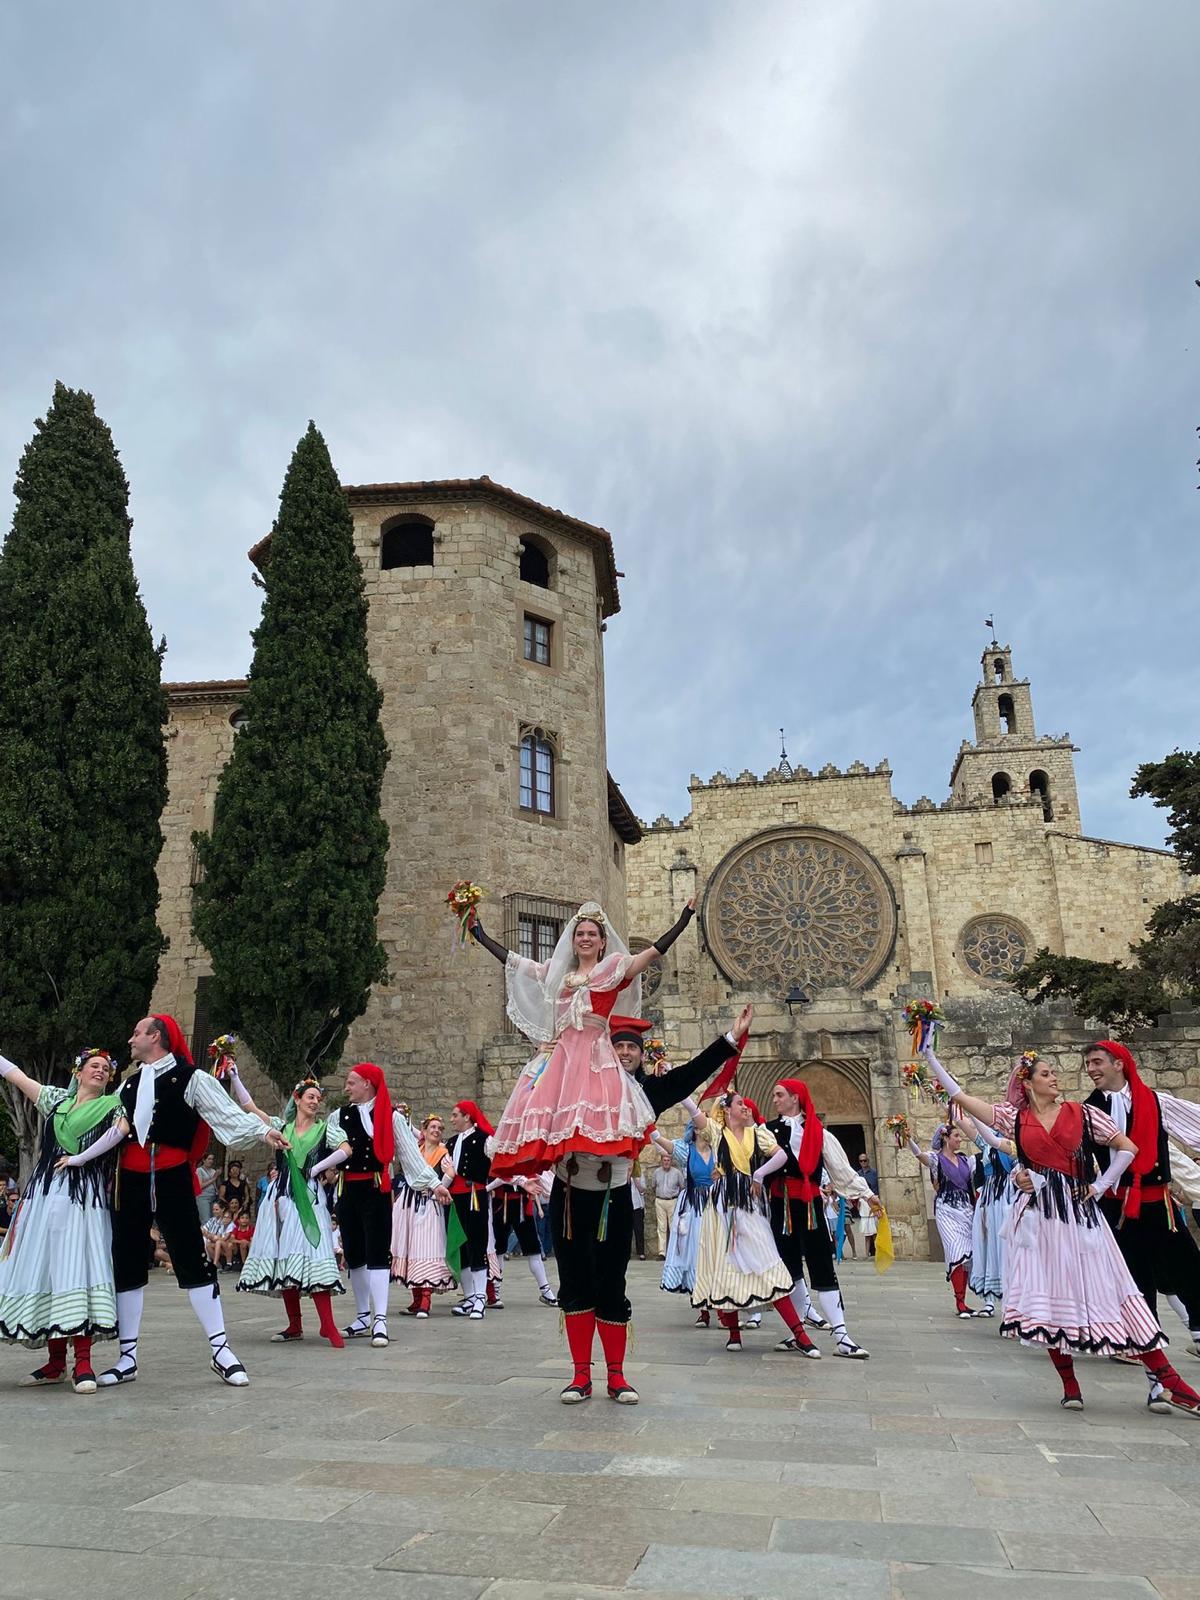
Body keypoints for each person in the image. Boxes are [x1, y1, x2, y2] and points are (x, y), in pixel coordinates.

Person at [474, 898, 744, 1404]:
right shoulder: (557, 981)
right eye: (580, 932)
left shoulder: (635, 1089)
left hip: (615, 1194)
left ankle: (616, 1375)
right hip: (571, 1194)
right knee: (574, 1282)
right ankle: (580, 1374)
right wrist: (480, 932)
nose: (586, 938)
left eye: (595, 932)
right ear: (572, 939)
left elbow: (651, 958)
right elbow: (515, 963)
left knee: (612, 1284)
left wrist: (685, 921)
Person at [924, 1042, 1200, 1418]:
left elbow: (1127, 1148)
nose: (1055, 1078)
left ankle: (1171, 1383)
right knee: (1049, 1298)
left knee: (1116, 1290)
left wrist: (1100, 1186)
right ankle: (1070, 1384)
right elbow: (961, 1097)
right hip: (1039, 1221)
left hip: (1081, 1217)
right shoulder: (1014, 1118)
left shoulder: (1082, 1114)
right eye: (1046, 1074)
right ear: (1028, 1084)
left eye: (1054, 1073)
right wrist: (929, 1055)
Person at [99, 1014, 289, 1390]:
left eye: (137, 1033)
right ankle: (127, 1357)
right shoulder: (129, 1084)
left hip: (171, 1177)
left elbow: (226, 1116)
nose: (130, 1039)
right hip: (129, 1180)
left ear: (156, 1037)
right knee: (127, 1260)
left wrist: (265, 1131)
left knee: (192, 1258)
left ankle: (221, 1350)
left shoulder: (190, 1078)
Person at [0, 1046, 127, 1393]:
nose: (100, 1071)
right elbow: (17, 1076)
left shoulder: (112, 1104)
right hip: (43, 1194)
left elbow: (119, 1130)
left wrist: (79, 1159)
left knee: (78, 1267)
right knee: (47, 1268)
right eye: (94, 1066)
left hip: (82, 1196)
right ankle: (56, 1363)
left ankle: (82, 1363)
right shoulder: (56, 1099)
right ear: (78, 1072)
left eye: (105, 1068)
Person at [1083, 1041, 1200, 1360]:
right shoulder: (1088, 1110)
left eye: (1097, 1062)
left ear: (1119, 1063)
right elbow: (1072, 1153)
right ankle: (1140, 1341)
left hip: (1156, 1201)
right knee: (1132, 1274)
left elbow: (1196, 1127)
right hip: (1115, 1203)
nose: (1091, 1069)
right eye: (1088, 1064)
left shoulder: (1155, 1102)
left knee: (1188, 1264)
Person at [325, 1061, 450, 1347]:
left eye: (351, 1082)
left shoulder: (391, 1118)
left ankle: (380, 1318)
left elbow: (410, 1156)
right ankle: (362, 1316)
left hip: (376, 1188)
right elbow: (331, 1146)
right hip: (347, 1190)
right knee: (354, 1254)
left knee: (378, 1253)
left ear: (367, 1084)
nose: (346, 1087)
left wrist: (435, 1184)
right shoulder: (338, 1116)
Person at [689, 1091, 821, 1354]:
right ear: (727, 1110)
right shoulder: (716, 1133)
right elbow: (692, 1110)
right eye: (740, 1103)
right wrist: (674, 1080)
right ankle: (734, 1334)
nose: (746, 1107)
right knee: (727, 1267)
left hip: (748, 1205)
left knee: (769, 1264)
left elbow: (781, 1156)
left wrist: (759, 1175)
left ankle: (800, 1335)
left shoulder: (757, 1132)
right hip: (723, 1207)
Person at [229, 1073, 348, 1346]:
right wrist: (234, 1076)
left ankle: (328, 1326)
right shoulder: (281, 1127)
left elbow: (345, 1149)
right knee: (285, 1256)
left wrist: (316, 1169)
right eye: (310, 1097)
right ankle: (295, 1325)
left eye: (318, 1098)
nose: (316, 1102)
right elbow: (250, 1107)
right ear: (297, 1098)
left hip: (308, 1197)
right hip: (280, 1198)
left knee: (315, 1254)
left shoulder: (323, 1129)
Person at [764, 1079, 880, 1357]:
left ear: (795, 1098)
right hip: (780, 1207)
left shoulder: (818, 1133)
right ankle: (799, 1331)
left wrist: (866, 1194)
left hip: (811, 1205)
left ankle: (842, 1336)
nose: (775, 1100)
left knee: (822, 1266)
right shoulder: (767, 1131)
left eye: (780, 1095)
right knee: (789, 1269)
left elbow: (841, 1170)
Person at [908, 1123, 986, 1319]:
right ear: (946, 1138)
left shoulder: (965, 1160)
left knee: (967, 1256)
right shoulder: (936, 1159)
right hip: (946, 1210)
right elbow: (920, 1155)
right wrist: (907, 1138)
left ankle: (964, 1301)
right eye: (957, 1136)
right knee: (956, 1251)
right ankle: (960, 1302)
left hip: (966, 1210)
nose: (960, 1139)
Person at [392, 1113, 456, 1318]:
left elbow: (450, 1174)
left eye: (440, 1128)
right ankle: (416, 1298)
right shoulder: (416, 1150)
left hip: (428, 1204)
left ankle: (426, 1299)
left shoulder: (443, 1153)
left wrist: (437, 1190)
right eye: (433, 1127)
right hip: (409, 1204)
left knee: (426, 1247)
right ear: (425, 1130)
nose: (436, 1131)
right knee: (411, 1246)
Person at [653, 1117, 716, 1320]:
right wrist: (648, 1126)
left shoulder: (718, 1149)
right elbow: (662, 1141)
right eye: (702, 1126)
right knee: (696, 1252)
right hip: (694, 1206)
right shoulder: (686, 1150)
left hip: (716, 1204)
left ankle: (720, 1304)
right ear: (695, 1131)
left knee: (716, 1253)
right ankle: (702, 1308)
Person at [443, 1101, 495, 1319]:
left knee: (477, 1243)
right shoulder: (452, 1142)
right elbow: (447, 1172)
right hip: (456, 1199)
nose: (452, 1119)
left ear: (467, 1117)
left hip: (475, 1195)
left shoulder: (484, 1139)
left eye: (455, 1115)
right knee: (461, 1245)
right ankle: (470, 1296)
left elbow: (499, 1164)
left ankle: (481, 1298)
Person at [649, 1149, 684, 1260]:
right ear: (661, 1161)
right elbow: (653, 1186)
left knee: (673, 1226)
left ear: (671, 1161)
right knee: (661, 1227)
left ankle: (674, 1251)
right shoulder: (656, 1172)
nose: (666, 1162)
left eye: (668, 1160)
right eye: (664, 1160)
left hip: (672, 1201)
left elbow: (682, 1186)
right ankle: (662, 1253)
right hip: (660, 1200)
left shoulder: (677, 1173)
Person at [630, 1162, 647, 1260]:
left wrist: (636, 1181)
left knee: (639, 1229)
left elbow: (643, 1190)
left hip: (637, 1205)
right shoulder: (624, 1174)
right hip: (627, 1205)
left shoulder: (639, 1175)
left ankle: (641, 1252)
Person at [195, 1152, 217, 1224]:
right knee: (206, 1219)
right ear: (204, 1160)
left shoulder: (213, 1171)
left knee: (213, 1219)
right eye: (209, 1159)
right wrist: (213, 1179)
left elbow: (215, 1185)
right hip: (203, 1197)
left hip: (213, 1197)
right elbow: (200, 1186)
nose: (211, 1161)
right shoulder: (199, 1170)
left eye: (212, 1159)